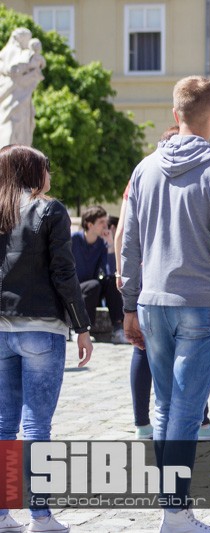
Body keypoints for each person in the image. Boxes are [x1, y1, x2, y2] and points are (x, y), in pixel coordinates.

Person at [120, 76, 210, 533]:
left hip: (153, 301)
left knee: (165, 407)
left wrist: (130, 302)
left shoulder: (144, 170)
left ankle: (171, 508)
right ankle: (175, 513)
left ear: (176, 113)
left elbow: (129, 243)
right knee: (188, 411)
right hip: (203, 301)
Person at [0, 145, 92, 533]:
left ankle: (3, 514)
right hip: (42, 327)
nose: (50, 174)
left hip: (1, 328)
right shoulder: (49, 210)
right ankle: (40, 515)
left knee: (4, 425)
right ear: (34, 172)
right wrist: (82, 326)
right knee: (37, 425)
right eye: (46, 168)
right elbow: (63, 273)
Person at [71, 205, 126, 343]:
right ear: (90, 225)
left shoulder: (102, 244)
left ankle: (118, 329)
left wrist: (111, 245)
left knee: (112, 280)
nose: (105, 225)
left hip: (94, 288)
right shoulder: (74, 240)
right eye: (101, 222)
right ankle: (81, 329)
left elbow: (109, 271)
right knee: (94, 285)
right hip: (74, 288)